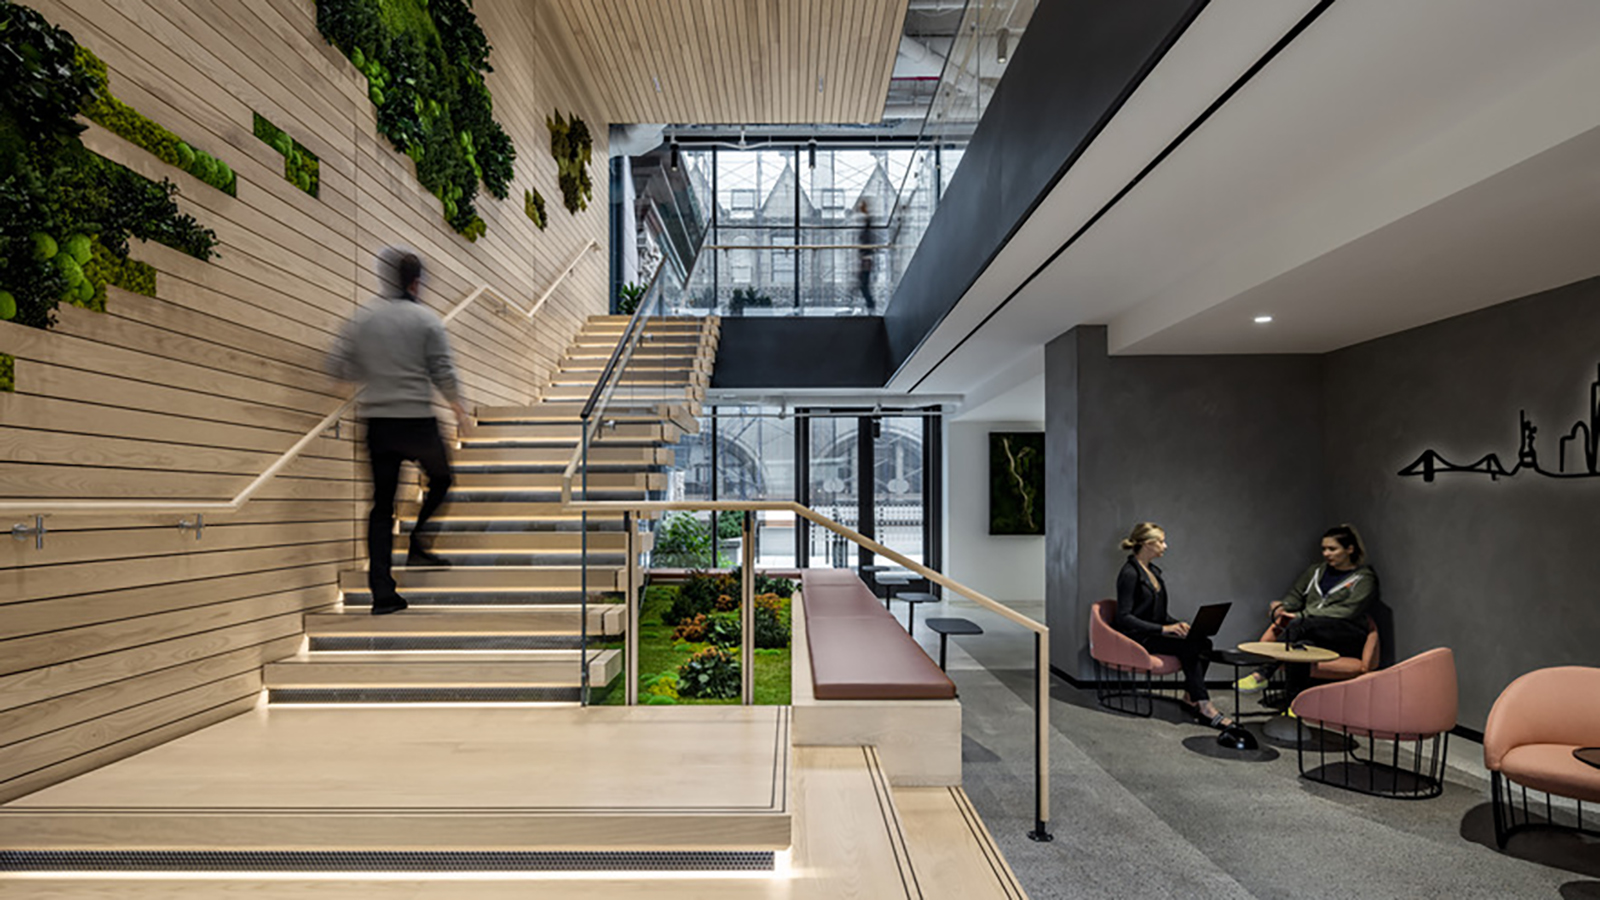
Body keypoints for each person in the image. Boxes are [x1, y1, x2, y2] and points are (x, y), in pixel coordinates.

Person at [327, 250, 468, 615]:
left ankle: (383, 594)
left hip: (377, 423)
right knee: (441, 478)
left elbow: (339, 367)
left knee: (381, 506)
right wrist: (458, 407)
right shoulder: (425, 320)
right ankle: (419, 542)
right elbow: (442, 370)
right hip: (416, 420)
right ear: (417, 282)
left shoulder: (364, 319)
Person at [1113, 522, 1234, 728]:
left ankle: (1190, 695)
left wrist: (1176, 624)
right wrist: (1164, 629)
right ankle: (1205, 707)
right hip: (1137, 636)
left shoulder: (1153, 572)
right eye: (1161, 541)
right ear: (1148, 544)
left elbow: (1157, 613)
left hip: (1153, 632)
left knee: (1204, 643)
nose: (1165, 546)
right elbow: (1124, 617)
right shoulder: (1129, 574)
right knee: (1190, 647)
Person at [1236, 524, 1379, 693]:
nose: (1326, 554)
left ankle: (1262, 673)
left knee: (1300, 625)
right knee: (1301, 648)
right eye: (1324, 549)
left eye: (1332, 549)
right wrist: (1283, 606)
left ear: (1349, 549)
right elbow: (1295, 596)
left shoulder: (1364, 578)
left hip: (1347, 632)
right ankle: (1294, 707)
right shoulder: (1316, 571)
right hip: (1313, 631)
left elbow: (1347, 611)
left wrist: (1302, 615)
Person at [854, 198, 877, 313]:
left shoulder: (867, 231)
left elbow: (869, 222)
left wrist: (865, 212)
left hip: (866, 260)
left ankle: (871, 305)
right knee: (862, 284)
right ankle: (870, 305)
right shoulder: (866, 231)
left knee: (863, 284)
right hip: (865, 259)